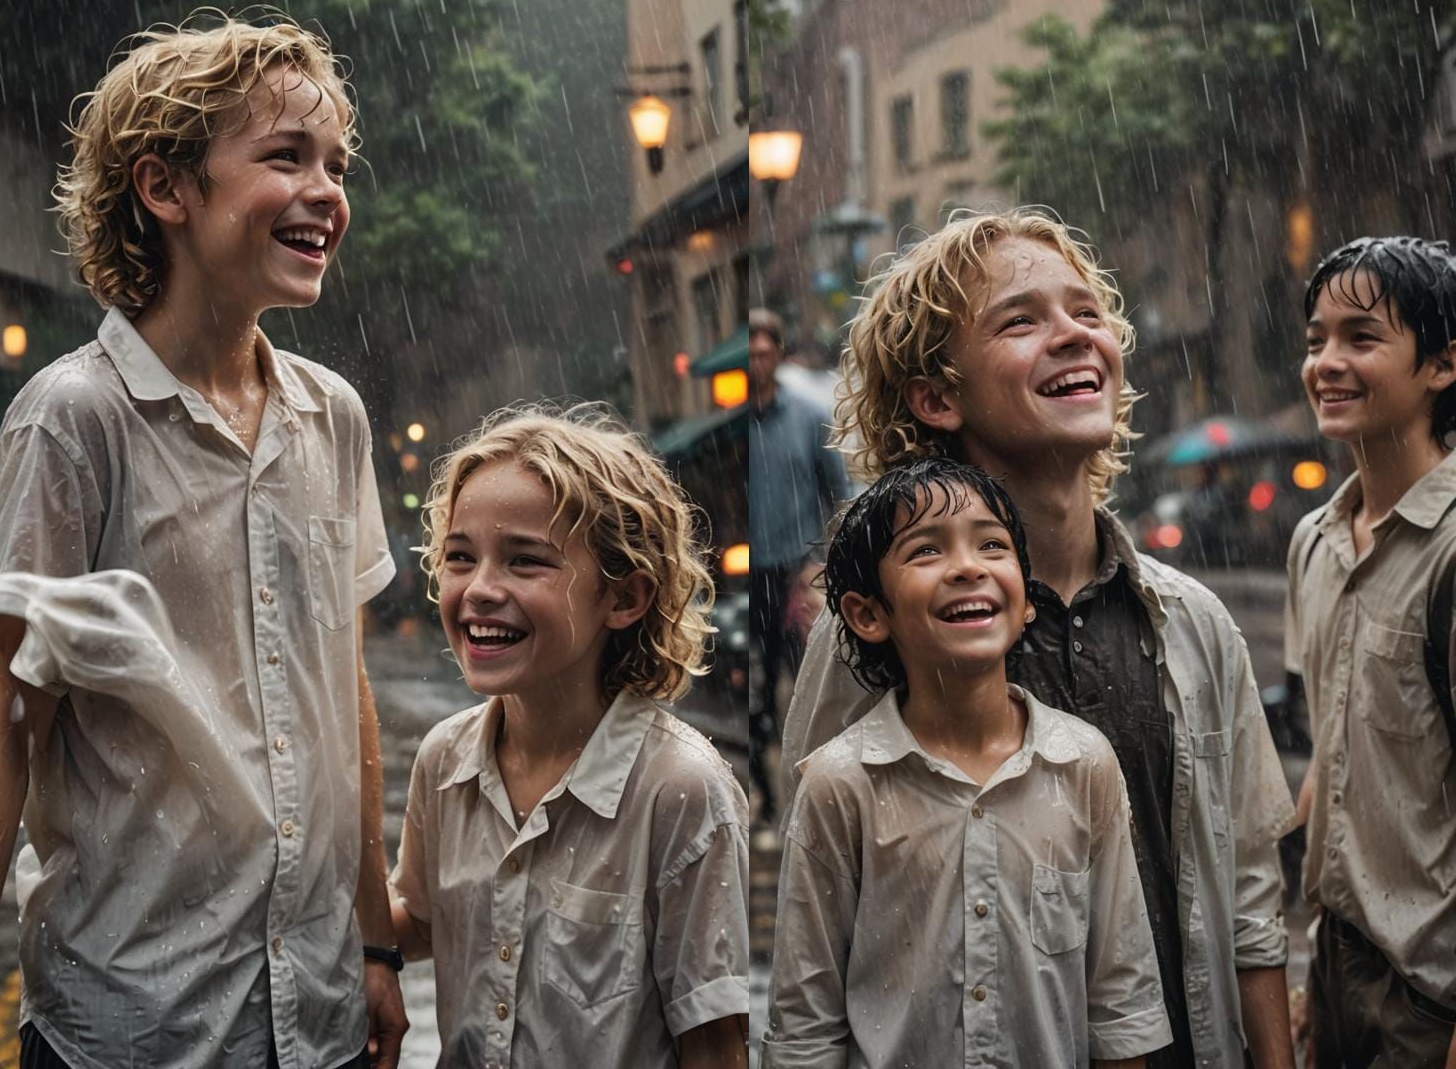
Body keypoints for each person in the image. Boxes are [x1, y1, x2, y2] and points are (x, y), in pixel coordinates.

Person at [0, 14, 409, 1069]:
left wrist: (377, 943)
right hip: (132, 1019)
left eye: (335, 165)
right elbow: (2, 709)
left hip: (315, 1017)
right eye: (284, 157)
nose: (326, 191)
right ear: (165, 189)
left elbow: (338, 682)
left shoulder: (336, 416)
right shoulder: (72, 420)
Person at [779, 210, 1296, 1069]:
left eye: (1087, 314)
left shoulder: (1196, 625)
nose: (1073, 337)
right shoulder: (873, 635)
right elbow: (821, 932)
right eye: (1021, 320)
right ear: (937, 398)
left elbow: (1248, 898)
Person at [763, 458, 1171, 1069]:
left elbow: (1118, 1004)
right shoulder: (840, 784)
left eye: (991, 545)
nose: (968, 567)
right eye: (926, 551)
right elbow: (804, 1027)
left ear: (1026, 599)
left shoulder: (1084, 764)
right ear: (868, 614)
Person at [388, 404, 749, 1067]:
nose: (480, 590)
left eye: (526, 563)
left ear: (625, 598)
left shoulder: (680, 790)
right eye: (460, 557)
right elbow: (412, 920)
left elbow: (715, 1043)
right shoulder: (443, 760)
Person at [1289, 235, 1456, 1066]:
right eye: (1316, 340)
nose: (1327, 363)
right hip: (1337, 970)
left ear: (1443, 363)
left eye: (1361, 338)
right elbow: (1334, 751)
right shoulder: (1314, 542)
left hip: (1436, 997)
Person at [746, 309, 849, 824]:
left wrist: (824, 564)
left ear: (778, 355)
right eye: (748, 353)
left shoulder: (808, 417)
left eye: (763, 352)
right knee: (756, 692)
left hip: (797, 572)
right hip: (750, 578)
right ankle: (762, 797)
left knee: (809, 683)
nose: (755, 362)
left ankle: (817, 796)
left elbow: (839, 495)